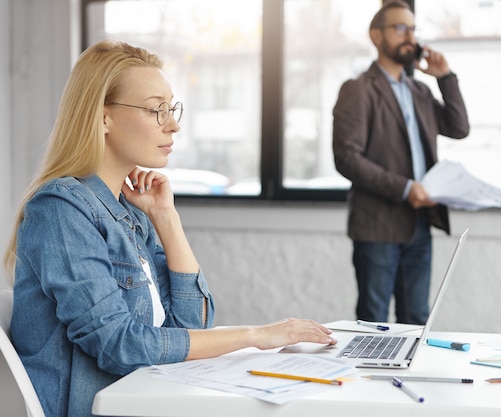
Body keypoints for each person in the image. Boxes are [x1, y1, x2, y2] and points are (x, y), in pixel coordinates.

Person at [3, 40, 336, 417]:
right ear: (103, 118)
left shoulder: (130, 213)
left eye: (171, 107)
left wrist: (167, 219)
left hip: (146, 401)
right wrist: (257, 336)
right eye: (155, 110)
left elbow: (192, 323)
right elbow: (119, 345)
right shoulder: (61, 210)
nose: (173, 124)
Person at [332, 1, 469, 325]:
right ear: (376, 36)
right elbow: (347, 158)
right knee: (373, 322)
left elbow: (459, 128)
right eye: (400, 28)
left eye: (413, 29)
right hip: (378, 226)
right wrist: (406, 188)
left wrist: (445, 76)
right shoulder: (358, 90)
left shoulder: (419, 90)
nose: (410, 36)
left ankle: (406, 378)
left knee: (417, 320)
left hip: (419, 224)